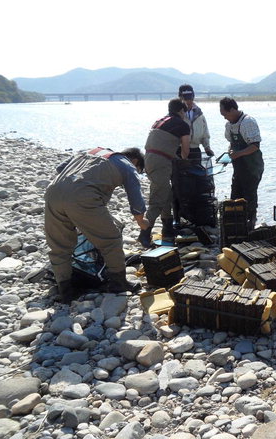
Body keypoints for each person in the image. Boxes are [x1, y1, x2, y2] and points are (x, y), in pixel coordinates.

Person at [44, 147, 149, 303]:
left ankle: (65, 291)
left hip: (53, 192)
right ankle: (119, 284)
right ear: (135, 161)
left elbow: (60, 168)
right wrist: (142, 222)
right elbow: (135, 198)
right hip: (82, 197)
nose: (137, 172)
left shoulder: (91, 151)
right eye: (140, 170)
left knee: (60, 245)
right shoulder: (127, 165)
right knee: (111, 240)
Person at [140, 98, 190, 247]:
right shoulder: (182, 125)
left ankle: (168, 229)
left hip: (148, 159)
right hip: (161, 163)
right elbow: (185, 151)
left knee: (166, 194)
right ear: (181, 111)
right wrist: (184, 160)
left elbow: (160, 143)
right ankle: (144, 234)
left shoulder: (160, 120)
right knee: (157, 199)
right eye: (184, 112)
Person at [219, 97, 264, 230]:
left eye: (225, 114)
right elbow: (231, 143)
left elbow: (255, 146)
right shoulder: (229, 125)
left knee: (249, 194)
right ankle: (237, 223)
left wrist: (238, 154)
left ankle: (251, 223)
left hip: (252, 166)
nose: (225, 118)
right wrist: (230, 152)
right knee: (235, 195)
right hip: (238, 166)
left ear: (233, 110)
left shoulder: (248, 122)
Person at [178, 84, 215, 161]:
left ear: (193, 96)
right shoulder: (175, 115)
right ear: (180, 98)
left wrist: (207, 147)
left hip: (195, 150)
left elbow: (205, 133)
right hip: (179, 150)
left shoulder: (200, 114)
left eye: (190, 98)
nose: (188, 101)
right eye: (185, 98)